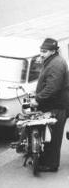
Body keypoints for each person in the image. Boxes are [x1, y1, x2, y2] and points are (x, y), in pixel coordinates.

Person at [29, 38, 69, 172]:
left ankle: (51, 165)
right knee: (50, 136)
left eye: (44, 51)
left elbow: (53, 87)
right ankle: (45, 160)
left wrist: (38, 99)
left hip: (57, 106)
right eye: (40, 50)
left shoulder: (56, 64)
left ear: (53, 51)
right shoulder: (52, 61)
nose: (41, 54)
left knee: (53, 137)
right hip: (55, 104)